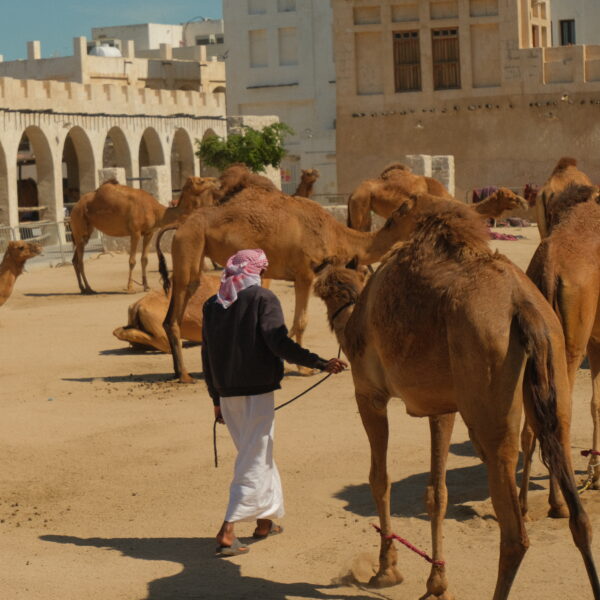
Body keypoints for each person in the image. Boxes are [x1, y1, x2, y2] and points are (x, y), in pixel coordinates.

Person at [201, 248, 347, 556]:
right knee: (254, 457)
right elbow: (277, 341)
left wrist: (216, 398)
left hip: (227, 394)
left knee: (259, 452)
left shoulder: (213, 304)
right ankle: (228, 528)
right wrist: (320, 362)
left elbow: (207, 355)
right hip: (255, 392)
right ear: (258, 272)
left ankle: (265, 520)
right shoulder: (262, 299)